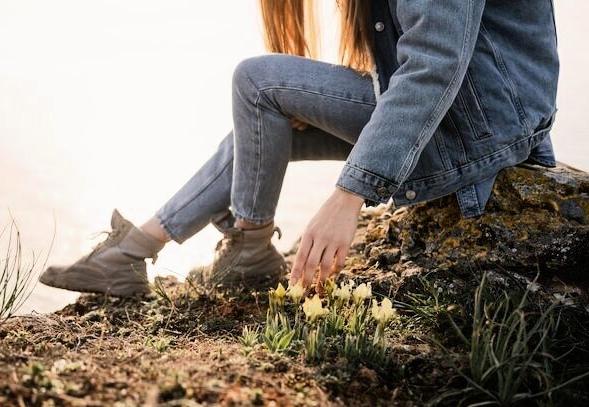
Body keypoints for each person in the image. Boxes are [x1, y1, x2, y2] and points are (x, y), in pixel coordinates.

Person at [39, 0, 559, 297]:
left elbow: (434, 66)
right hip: (472, 122)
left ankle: (245, 250)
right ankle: (134, 251)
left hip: (467, 130)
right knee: (266, 119)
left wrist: (349, 195)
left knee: (257, 81)